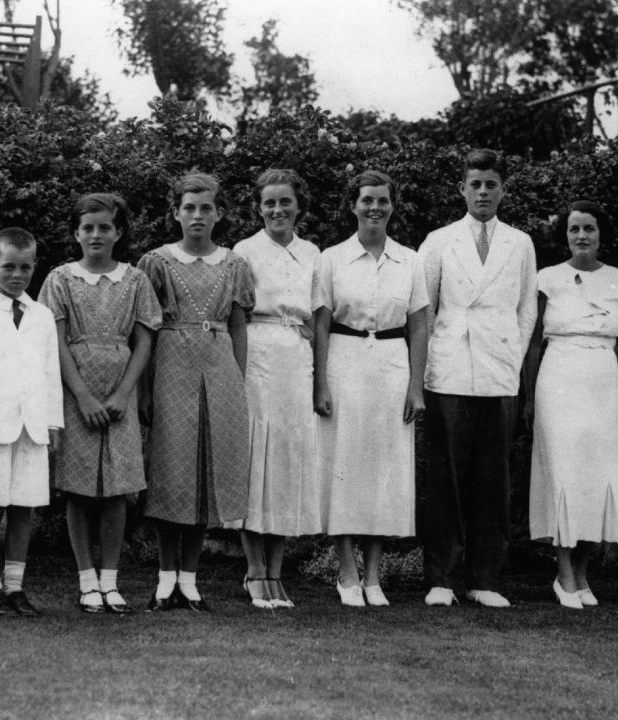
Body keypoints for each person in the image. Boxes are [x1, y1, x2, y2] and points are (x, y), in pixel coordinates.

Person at [417, 148, 537, 608]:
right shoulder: (439, 240)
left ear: (502, 189)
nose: (483, 192)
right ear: (462, 189)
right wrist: (427, 368)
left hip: (498, 372)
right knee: (445, 478)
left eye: (491, 184)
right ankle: (442, 579)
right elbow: (424, 310)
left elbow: (527, 310)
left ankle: (484, 579)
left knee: (492, 478)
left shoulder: (519, 243)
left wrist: (511, 358)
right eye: (475, 184)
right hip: (448, 371)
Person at [38, 193, 161, 614]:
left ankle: (111, 581)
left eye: (104, 227)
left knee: (116, 492)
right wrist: (84, 396)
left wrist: (125, 392)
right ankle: (86, 581)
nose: (95, 234)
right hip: (77, 391)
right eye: (87, 227)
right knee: (78, 492)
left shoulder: (135, 280)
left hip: (119, 392)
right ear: (76, 232)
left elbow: (145, 339)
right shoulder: (60, 280)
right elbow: (53, 340)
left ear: (118, 232)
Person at [137, 172, 255, 612]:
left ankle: (190, 578)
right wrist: (145, 390)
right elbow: (146, 329)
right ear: (176, 213)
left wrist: (236, 382)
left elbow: (240, 327)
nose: (197, 215)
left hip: (219, 366)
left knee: (208, 471)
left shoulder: (234, 264)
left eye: (206, 208)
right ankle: (165, 578)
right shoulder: (157, 262)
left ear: (219, 213)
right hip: (171, 365)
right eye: (189, 207)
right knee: (172, 469)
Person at [313, 169, 429, 608]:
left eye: (382, 200)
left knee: (383, 471)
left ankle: (374, 577)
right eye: (366, 200)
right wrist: (319, 382)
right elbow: (321, 322)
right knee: (344, 466)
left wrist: (416, 387)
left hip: (391, 366)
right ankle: (346, 572)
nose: (374, 208)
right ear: (353, 205)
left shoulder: (410, 260)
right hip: (343, 363)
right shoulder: (331, 258)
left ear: (392, 205)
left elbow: (419, 325)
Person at [523, 201, 618, 609]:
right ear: (565, 235)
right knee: (565, 476)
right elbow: (534, 340)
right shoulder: (547, 278)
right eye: (574, 229)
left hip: (602, 382)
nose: (582, 236)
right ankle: (564, 575)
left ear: (601, 233)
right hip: (559, 380)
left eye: (589, 228)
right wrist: (530, 395)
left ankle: (582, 573)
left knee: (599, 477)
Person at [230, 169, 322, 610]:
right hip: (257, 354)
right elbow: (237, 316)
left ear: (298, 206)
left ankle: (276, 573)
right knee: (256, 462)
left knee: (284, 463)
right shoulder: (244, 251)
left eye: (285, 202)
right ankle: (254, 572)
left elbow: (318, 315)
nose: (277, 210)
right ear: (258, 207)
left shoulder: (312, 252)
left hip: (295, 359)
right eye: (269, 203)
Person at [0, 227, 63, 616]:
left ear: (35, 267)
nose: (17, 275)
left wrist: (54, 424)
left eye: (25, 267)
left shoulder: (41, 315)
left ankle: (16, 588)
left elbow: (50, 371)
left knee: (24, 508)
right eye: (8, 267)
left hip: (33, 427)